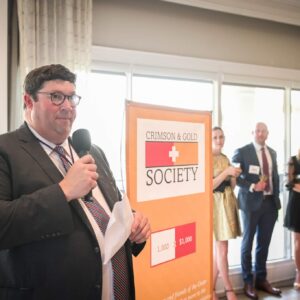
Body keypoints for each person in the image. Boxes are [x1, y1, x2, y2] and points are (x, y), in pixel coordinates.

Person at [0, 64, 151, 300]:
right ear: (29, 101)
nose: (68, 106)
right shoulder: (5, 151)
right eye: (56, 97)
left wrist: (132, 220)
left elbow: (108, 208)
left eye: (71, 97)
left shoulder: (92, 151)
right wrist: (62, 192)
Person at [232, 122, 281, 300]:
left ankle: (261, 279)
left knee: (264, 243)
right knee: (247, 243)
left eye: (263, 131)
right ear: (252, 132)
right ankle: (248, 282)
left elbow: (275, 177)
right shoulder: (242, 151)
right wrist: (253, 185)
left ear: (267, 134)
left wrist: (277, 200)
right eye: (257, 131)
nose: (260, 134)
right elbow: (235, 178)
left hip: (269, 204)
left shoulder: (273, 152)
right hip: (251, 204)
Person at [212, 127, 242, 300]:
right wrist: (226, 173)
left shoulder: (225, 158)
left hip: (226, 204)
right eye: (215, 137)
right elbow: (209, 186)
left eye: (221, 136)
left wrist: (233, 176)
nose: (219, 139)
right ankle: (229, 289)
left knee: (219, 251)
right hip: (215, 205)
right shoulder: (207, 158)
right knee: (222, 249)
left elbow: (231, 187)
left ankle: (211, 289)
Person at [284, 150, 300, 290]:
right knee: (298, 243)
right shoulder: (293, 160)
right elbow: (287, 182)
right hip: (297, 205)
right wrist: (297, 187)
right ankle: (299, 272)